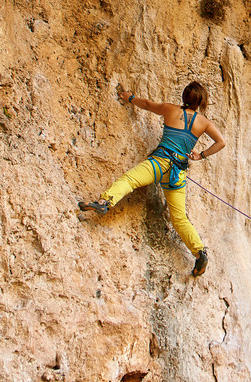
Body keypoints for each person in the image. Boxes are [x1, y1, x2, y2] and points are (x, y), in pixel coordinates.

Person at [78, 81, 225, 277]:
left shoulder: (170, 109)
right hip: (177, 173)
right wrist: (201, 155)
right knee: (179, 217)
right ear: (200, 102)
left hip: (159, 162)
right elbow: (221, 142)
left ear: (184, 97)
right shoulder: (204, 122)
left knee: (130, 180)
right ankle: (199, 252)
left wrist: (128, 97)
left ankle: (105, 201)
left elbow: (147, 104)